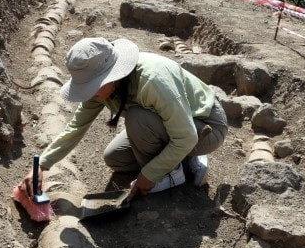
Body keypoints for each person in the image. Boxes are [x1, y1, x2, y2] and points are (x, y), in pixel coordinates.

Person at [20, 37, 228, 201]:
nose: (89, 93)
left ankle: (173, 172)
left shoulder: (153, 81)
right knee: (115, 158)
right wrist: (42, 165)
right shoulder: (103, 90)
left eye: (92, 86)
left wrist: (149, 175)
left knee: (138, 119)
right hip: (178, 126)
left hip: (206, 127)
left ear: (113, 75)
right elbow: (76, 126)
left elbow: (185, 137)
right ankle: (180, 158)